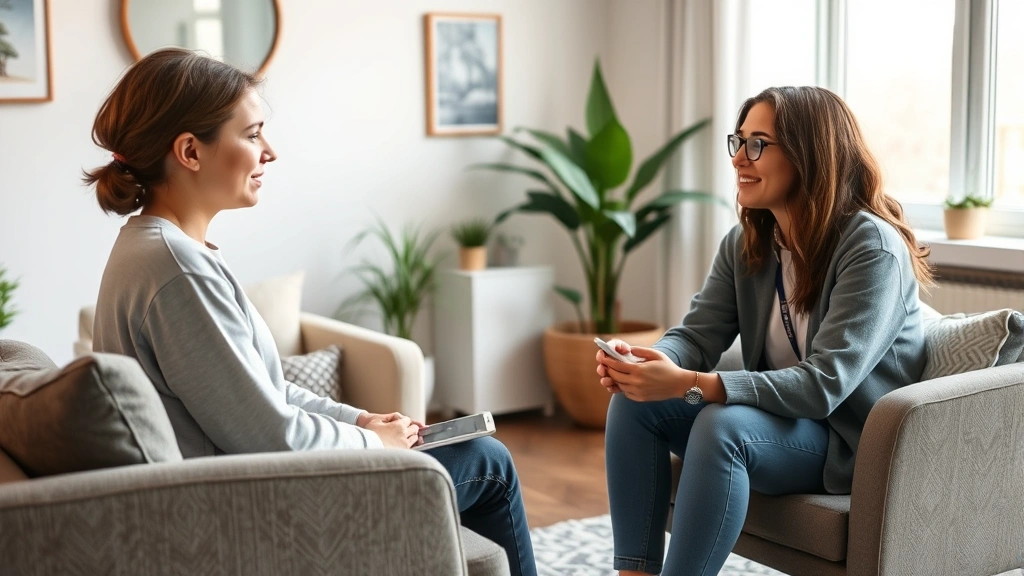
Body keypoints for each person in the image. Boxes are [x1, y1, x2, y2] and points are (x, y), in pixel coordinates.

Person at [83, 47, 536, 576]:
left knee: (474, 454)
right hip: (244, 516)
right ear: (190, 151)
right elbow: (269, 435)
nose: (268, 152)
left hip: (233, 492)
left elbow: (261, 391)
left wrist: (361, 419)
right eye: (251, 135)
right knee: (488, 464)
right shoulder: (176, 270)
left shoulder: (159, 249)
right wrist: (373, 444)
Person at [597, 86, 933, 575]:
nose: (738, 159)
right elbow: (696, 335)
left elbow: (824, 386)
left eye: (758, 144)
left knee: (721, 424)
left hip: (843, 439)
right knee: (633, 403)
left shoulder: (871, 250)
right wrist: (650, 362)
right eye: (738, 141)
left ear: (809, 155)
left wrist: (692, 384)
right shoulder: (747, 243)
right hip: (778, 420)